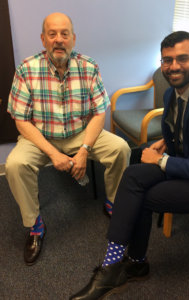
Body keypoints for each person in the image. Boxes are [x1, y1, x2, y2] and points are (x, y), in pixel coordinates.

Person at [69, 31, 189, 300]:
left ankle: (125, 265)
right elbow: (184, 133)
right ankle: (126, 264)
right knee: (134, 172)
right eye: (167, 60)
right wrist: (164, 144)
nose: (174, 66)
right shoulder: (173, 94)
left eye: (182, 58)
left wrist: (161, 160)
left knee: (141, 194)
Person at [6, 12, 130, 266]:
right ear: (43, 39)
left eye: (65, 34)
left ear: (73, 38)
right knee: (15, 165)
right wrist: (53, 153)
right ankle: (35, 226)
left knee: (120, 148)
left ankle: (113, 201)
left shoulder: (89, 66)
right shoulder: (26, 69)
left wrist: (84, 149)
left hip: (79, 133)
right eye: (52, 34)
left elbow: (99, 112)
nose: (59, 40)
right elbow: (20, 120)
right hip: (40, 137)